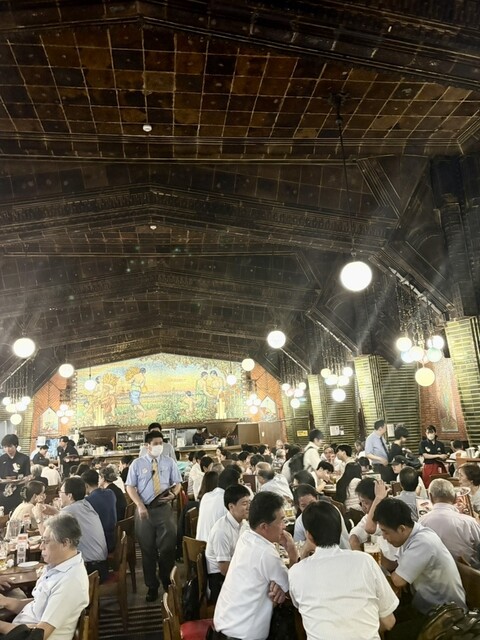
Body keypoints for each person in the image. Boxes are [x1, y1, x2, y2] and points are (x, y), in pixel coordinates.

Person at [289, 501, 398, 640]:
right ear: (341, 530)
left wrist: (303, 552)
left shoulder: (296, 572)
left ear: (309, 536)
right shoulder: (365, 561)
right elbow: (389, 622)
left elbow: (299, 606)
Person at [374, 497, 466, 639]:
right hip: (426, 605)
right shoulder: (412, 535)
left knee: (389, 630)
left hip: (445, 613)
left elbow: (398, 580)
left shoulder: (423, 542)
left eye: (385, 532)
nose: (384, 537)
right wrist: (375, 558)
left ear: (401, 528)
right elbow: (396, 566)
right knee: (380, 619)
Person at [212, 492, 299, 640]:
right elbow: (294, 592)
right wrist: (293, 555)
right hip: (242, 635)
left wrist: (279, 586)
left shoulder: (246, 537)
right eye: (281, 521)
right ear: (264, 526)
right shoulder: (266, 552)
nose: (285, 526)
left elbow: (278, 584)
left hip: (224, 626)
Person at [0, 513, 89, 640]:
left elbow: (37, 635)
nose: (41, 546)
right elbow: (38, 605)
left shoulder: (70, 582)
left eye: (46, 542)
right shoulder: (58, 566)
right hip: (21, 628)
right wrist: (5, 601)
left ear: (65, 543)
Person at [126, 430, 181, 601]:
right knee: (147, 550)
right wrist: (139, 505)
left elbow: (178, 483)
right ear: (147, 446)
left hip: (164, 508)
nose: (159, 446)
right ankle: (151, 586)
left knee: (167, 549)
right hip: (144, 510)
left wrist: (174, 494)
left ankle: (167, 582)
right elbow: (130, 487)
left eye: (161, 443)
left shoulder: (169, 462)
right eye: (155, 443)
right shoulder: (137, 464)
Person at [40, 476, 109, 582]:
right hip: (101, 565)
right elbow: (71, 515)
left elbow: (47, 539)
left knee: (51, 564)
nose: (59, 495)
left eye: (61, 492)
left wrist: (38, 518)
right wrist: (55, 512)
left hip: (89, 569)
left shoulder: (69, 511)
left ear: (69, 496)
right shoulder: (85, 504)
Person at [419, 478, 480, 568]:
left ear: (430, 497)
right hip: (471, 573)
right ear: (455, 498)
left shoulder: (422, 522)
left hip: (435, 572)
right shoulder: (469, 522)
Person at [205, 484, 250, 602]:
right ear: (231, 506)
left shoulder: (243, 524)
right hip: (220, 581)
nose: (249, 507)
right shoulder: (221, 531)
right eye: (244, 504)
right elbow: (224, 569)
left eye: (249, 503)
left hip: (235, 570)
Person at [196, 467, 240, 541]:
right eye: (240, 482)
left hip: (198, 544)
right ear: (234, 485)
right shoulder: (228, 501)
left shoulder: (206, 496)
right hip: (214, 545)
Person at [81, 469, 117, 552]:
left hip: (100, 543)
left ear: (86, 485)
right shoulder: (110, 493)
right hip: (112, 538)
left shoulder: (87, 501)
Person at [0, 434, 31, 513]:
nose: (7, 449)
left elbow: (28, 476)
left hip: (18, 490)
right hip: (3, 490)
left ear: (16, 445)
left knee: (17, 512)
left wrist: (16, 483)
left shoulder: (24, 458)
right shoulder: (1, 458)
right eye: (5, 447)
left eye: (10, 446)